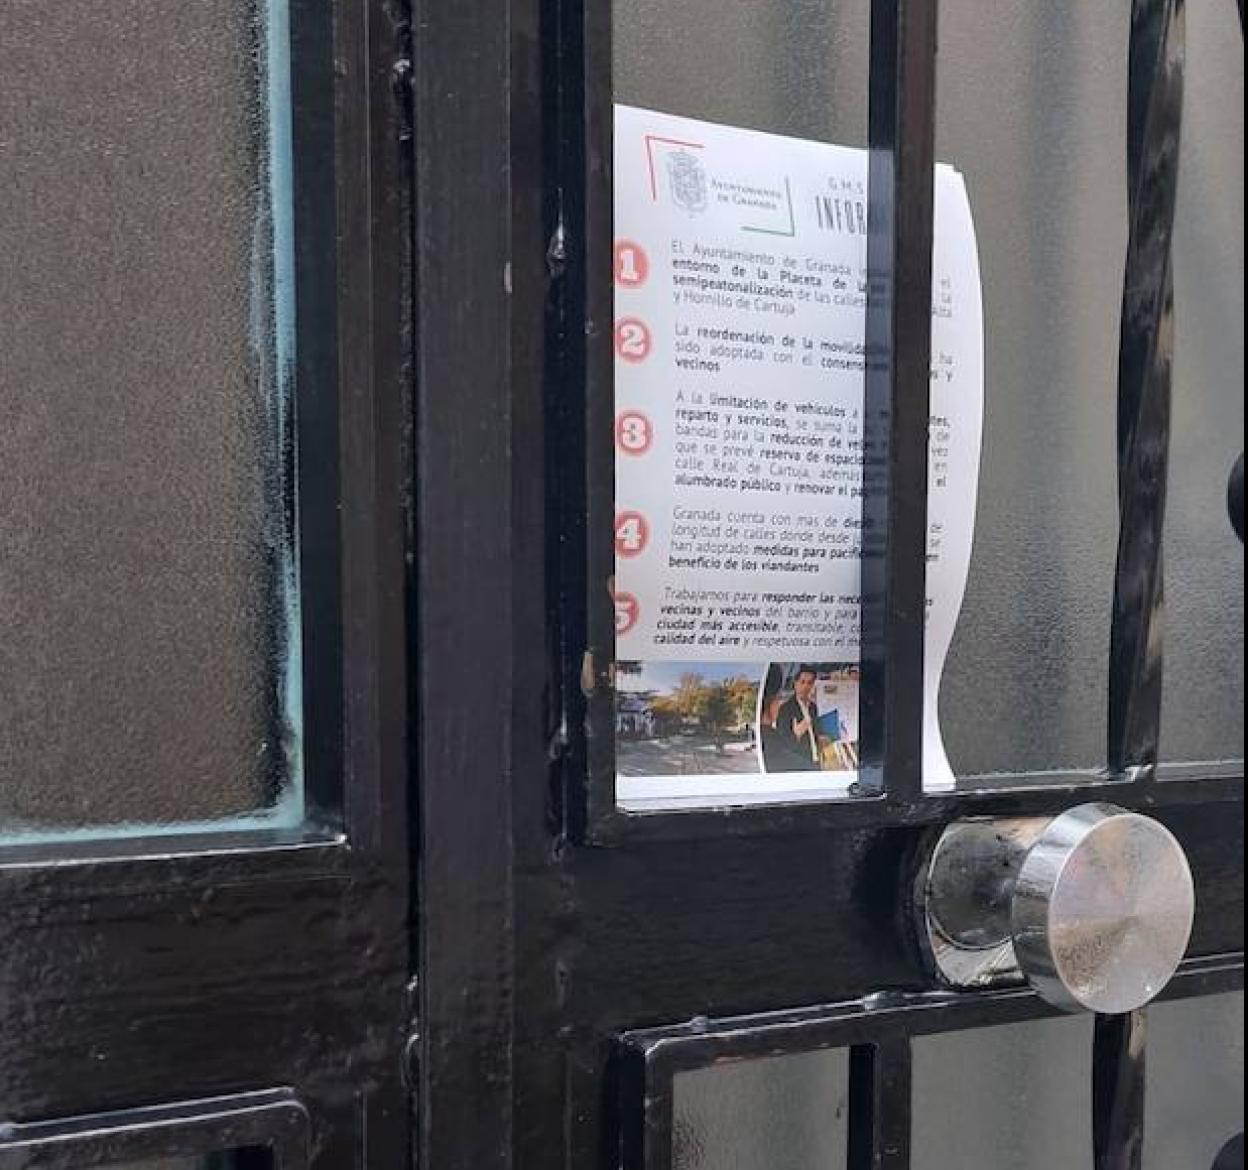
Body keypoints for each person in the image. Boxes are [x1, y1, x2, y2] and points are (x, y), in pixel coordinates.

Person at [773, 665, 823, 771]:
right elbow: (781, 745)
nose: (805, 687)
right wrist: (796, 735)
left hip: (817, 763)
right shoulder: (785, 709)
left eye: (809, 683)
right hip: (800, 765)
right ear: (795, 684)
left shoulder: (813, 707)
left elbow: (816, 734)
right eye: (802, 682)